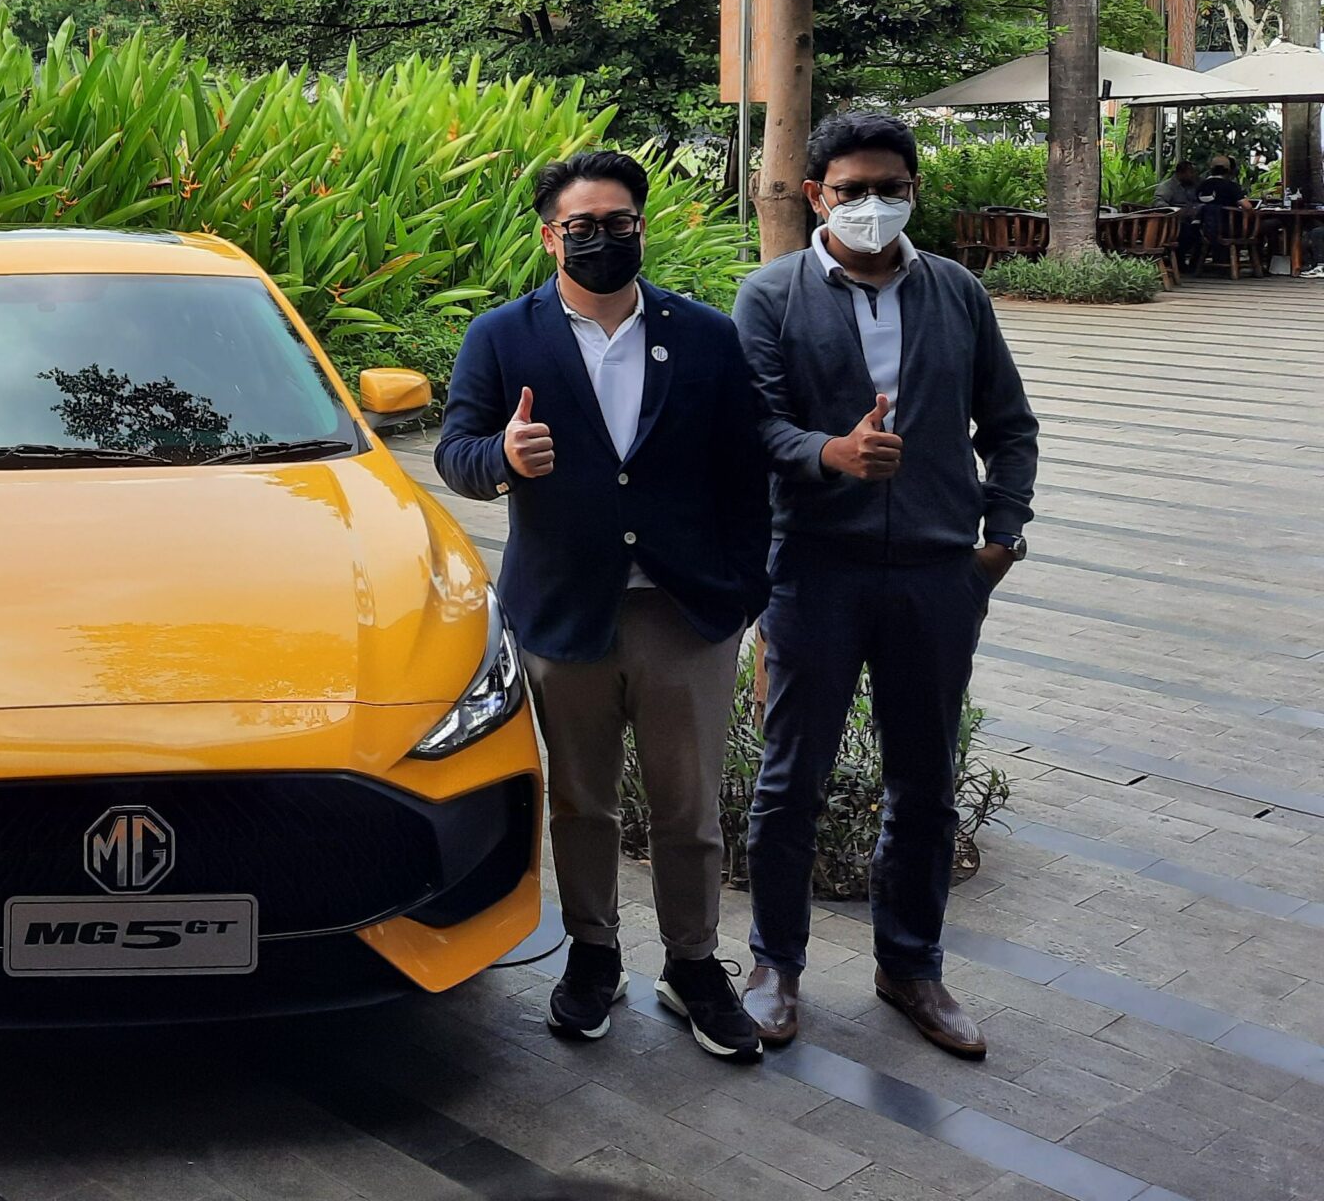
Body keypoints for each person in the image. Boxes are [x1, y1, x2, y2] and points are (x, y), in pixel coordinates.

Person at [433, 151, 774, 1062]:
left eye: (618, 222)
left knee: (688, 807)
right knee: (581, 802)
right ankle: (593, 954)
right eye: (580, 227)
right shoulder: (502, 337)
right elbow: (455, 452)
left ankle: (693, 964)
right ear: (550, 238)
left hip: (684, 614)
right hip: (564, 613)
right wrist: (503, 459)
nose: (601, 239)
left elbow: (747, 476)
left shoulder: (704, 335)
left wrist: (746, 594)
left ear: (642, 228)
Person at [732, 112, 1039, 1060]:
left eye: (889, 188)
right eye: (853, 190)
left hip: (937, 576)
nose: (872, 204)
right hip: (816, 568)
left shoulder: (957, 292)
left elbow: (1010, 424)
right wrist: (831, 451)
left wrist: (1001, 538)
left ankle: (911, 967)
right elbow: (752, 425)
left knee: (925, 784)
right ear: (816, 195)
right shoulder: (771, 296)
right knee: (791, 782)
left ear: (914, 190)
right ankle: (775, 966)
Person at [1151, 160, 1204, 272]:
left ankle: (1195, 265)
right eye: (1191, 172)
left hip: (1195, 219)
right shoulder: (1167, 186)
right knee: (1186, 233)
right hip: (1175, 222)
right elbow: (1158, 202)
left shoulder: (1195, 185)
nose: (1194, 175)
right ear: (1181, 173)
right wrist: (1176, 211)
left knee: (1205, 233)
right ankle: (1180, 263)